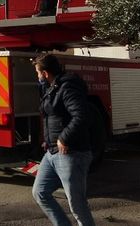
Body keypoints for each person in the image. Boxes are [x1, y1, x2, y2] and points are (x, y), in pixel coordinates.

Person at [32, 54, 95, 226]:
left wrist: (63, 138)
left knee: (77, 204)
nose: (37, 77)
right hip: (52, 152)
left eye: (38, 73)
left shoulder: (67, 87)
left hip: (72, 153)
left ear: (45, 73)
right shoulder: (53, 87)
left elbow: (82, 116)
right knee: (40, 192)